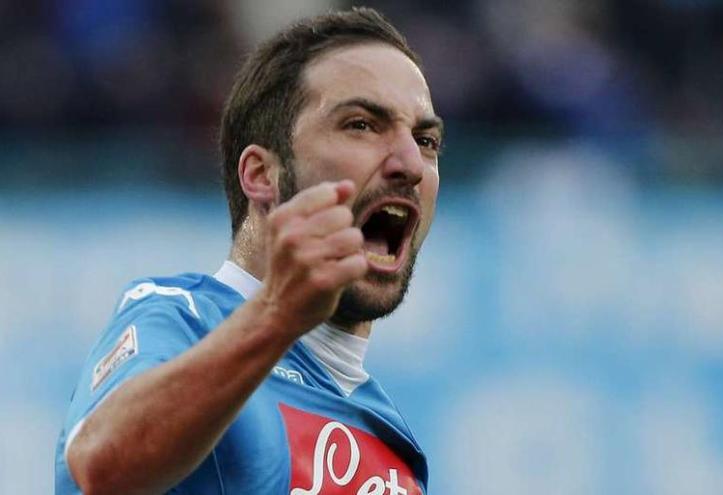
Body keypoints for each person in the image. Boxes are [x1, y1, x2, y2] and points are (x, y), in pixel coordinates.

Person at [54, 7, 443, 494]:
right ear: (262, 175)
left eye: (426, 140)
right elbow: (102, 467)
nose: (411, 163)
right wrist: (278, 315)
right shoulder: (180, 319)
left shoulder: (391, 443)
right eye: (362, 125)